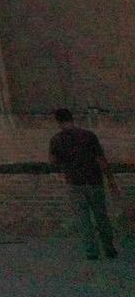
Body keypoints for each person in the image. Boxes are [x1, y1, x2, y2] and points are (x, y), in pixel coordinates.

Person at [51, 107, 121, 260]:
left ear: (58, 121)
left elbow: (54, 162)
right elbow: (101, 160)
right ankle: (109, 248)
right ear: (72, 119)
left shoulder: (56, 140)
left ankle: (91, 252)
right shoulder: (88, 136)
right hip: (94, 181)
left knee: (83, 219)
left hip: (74, 184)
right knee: (101, 216)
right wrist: (111, 182)